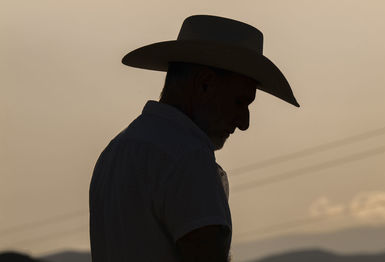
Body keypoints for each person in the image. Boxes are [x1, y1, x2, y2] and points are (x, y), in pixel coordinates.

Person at [89, 14, 300, 262]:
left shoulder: (115, 152)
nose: (244, 122)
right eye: (240, 102)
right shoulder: (188, 157)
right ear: (204, 83)